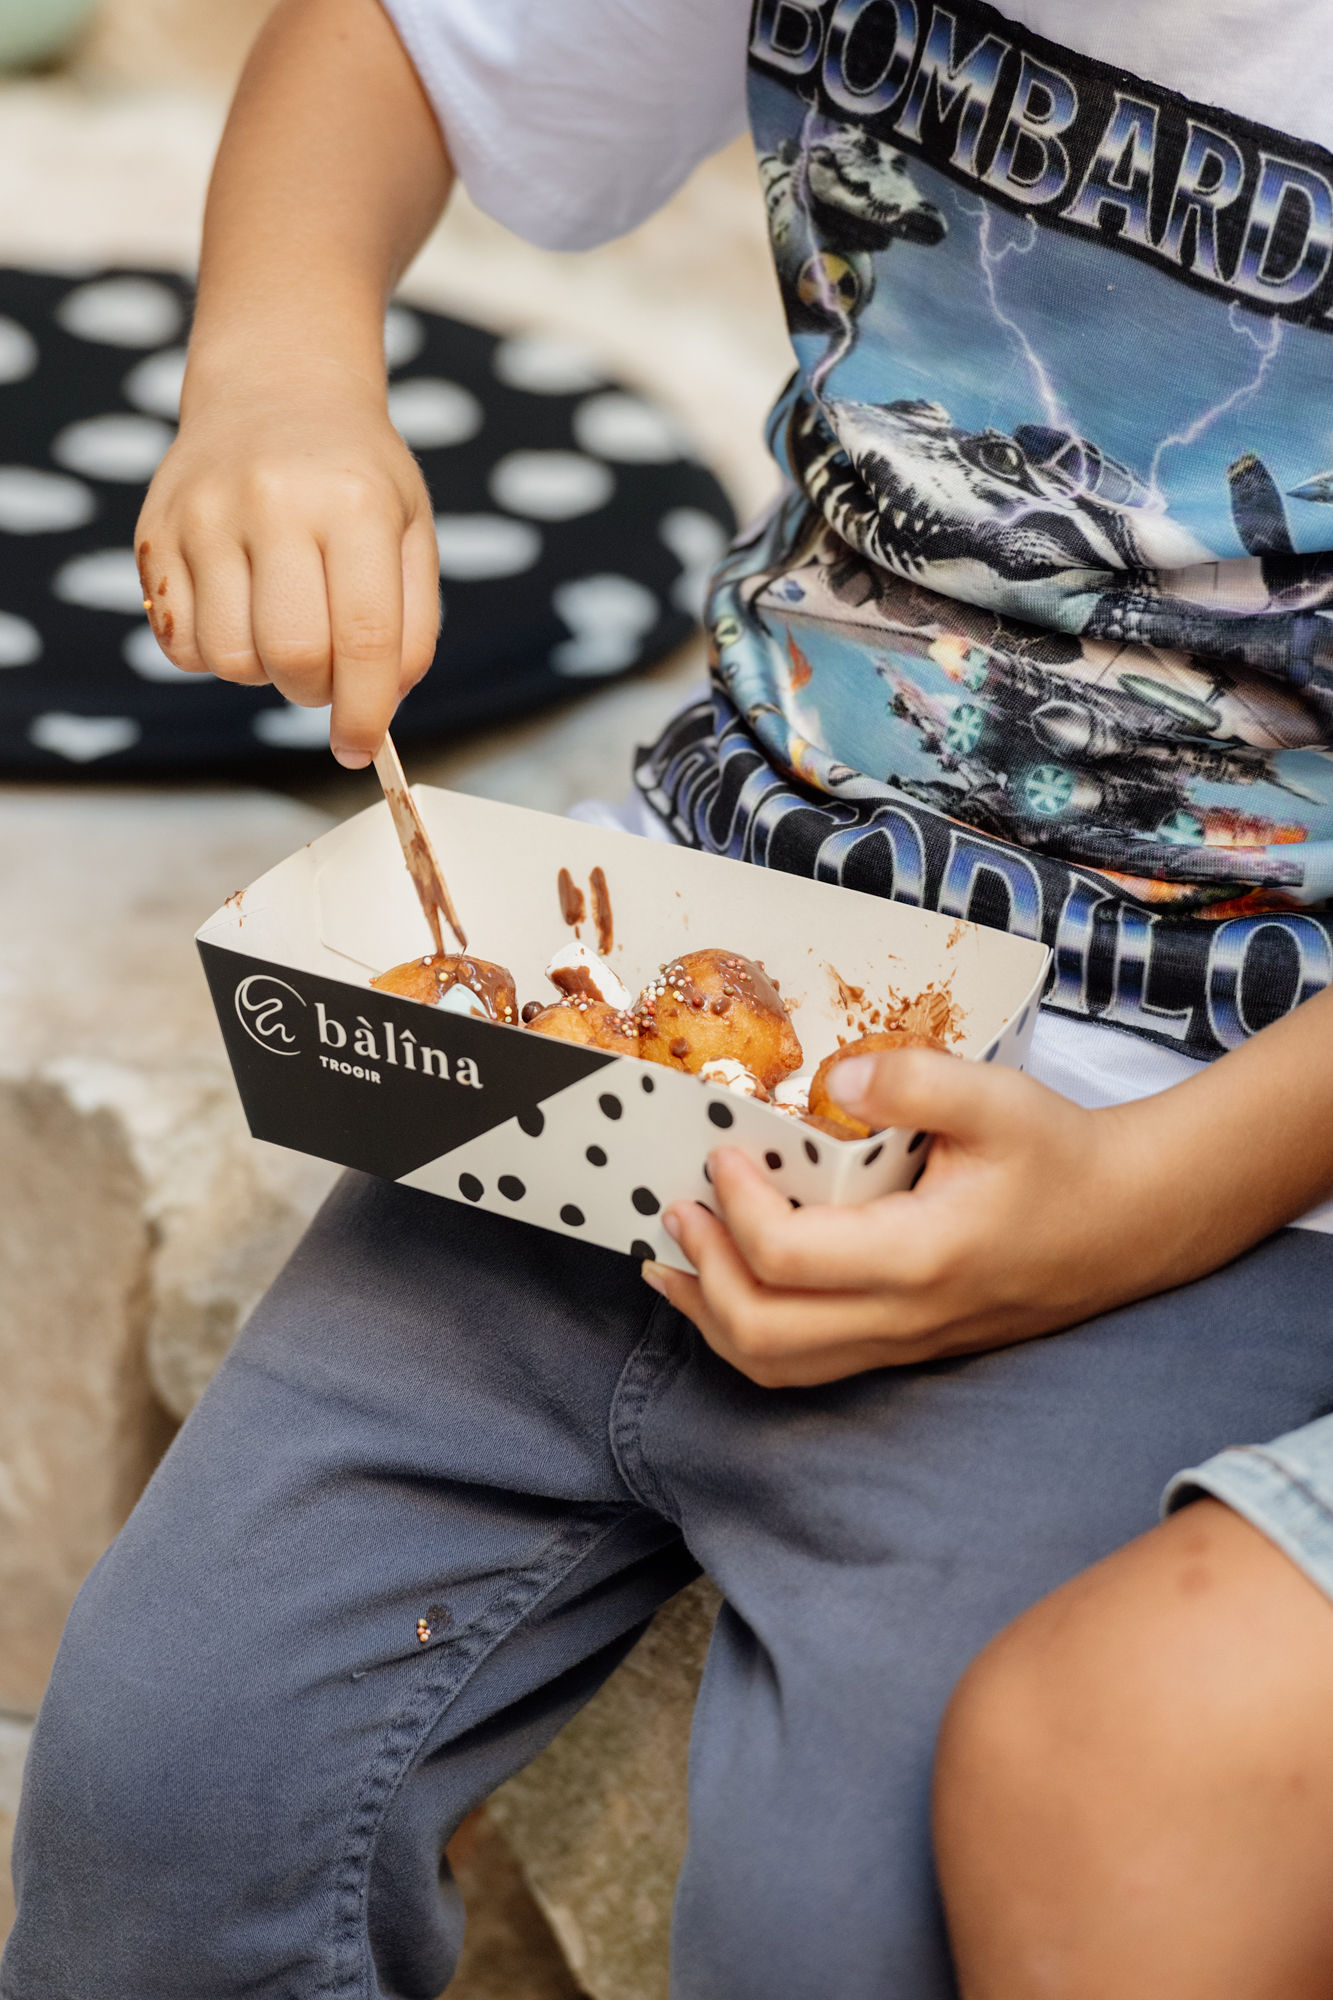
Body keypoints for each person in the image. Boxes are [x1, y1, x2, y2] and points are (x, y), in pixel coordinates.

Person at [7, 2, 1333, 1995]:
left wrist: (1147, 1203)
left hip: (1200, 1171)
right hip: (660, 1003)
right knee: (157, 1782)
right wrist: (277, 365)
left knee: (839, 1926)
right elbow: (396, 40)